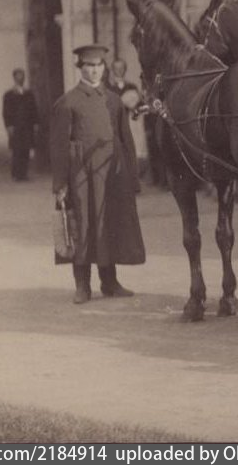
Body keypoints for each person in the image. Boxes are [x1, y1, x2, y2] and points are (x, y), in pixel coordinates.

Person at [49, 44, 145, 304]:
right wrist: (60, 184)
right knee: (82, 226)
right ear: (80, 67)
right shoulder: (67, 102)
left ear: (104, 68)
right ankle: (82, 285)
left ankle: (110, 282)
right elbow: (58, 147)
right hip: (81, 177)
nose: (94, 71)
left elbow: (126, 139)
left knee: (107, 225)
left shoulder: (114, 100)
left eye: (99, 66)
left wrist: (132, 176)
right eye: (89, 66)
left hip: (111, 175)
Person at [2, 68, 38, 182]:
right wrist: (9, 125)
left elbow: (34, 109)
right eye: (18, 76)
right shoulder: (9, 94)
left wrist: (35, 123)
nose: (20, 78)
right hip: (15, 126)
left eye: (22, 76)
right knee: (16, 149)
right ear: (14, 78)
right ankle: (16, 174)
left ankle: (24, 173)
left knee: (26, 149)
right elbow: (6, 111)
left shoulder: (29, 94)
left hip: (27, 126)